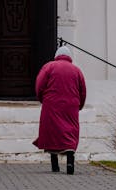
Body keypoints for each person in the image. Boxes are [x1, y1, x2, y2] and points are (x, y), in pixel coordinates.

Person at [33, 44, 86, 175]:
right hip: (71, 106)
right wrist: (80, 105)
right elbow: (83, 90)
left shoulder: (49, 66)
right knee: (70, 131)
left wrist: (42, 98)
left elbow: (39, 84)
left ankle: (55, 164)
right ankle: (70, 161)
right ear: (69, 57)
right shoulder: (77, 70)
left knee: (53, 131)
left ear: (57, 56)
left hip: (51, 104)